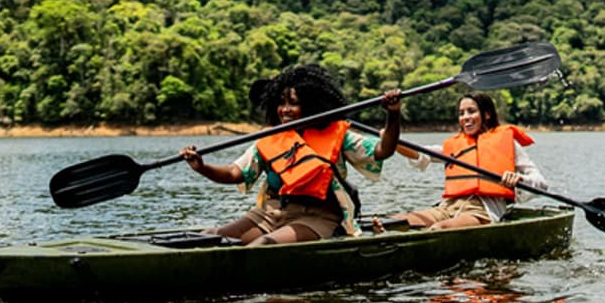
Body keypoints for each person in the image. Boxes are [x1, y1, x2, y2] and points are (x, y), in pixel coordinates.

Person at [180, 65, 401, 245]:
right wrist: (201, 166)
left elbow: (384, 150)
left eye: (293, 103)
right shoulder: (271, 139)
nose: (285, 109)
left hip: (318, 217)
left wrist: (393, 115)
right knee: (209, 237)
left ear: (312, 106)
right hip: (270, 213)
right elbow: (234, 173)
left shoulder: (338, 135)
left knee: (263, 245)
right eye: (281, 103)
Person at [396, 92, 546, 230]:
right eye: (461, 113)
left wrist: (519, 179)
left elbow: (541, 183)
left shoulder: (508, 143)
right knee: (397, 222)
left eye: (471, 111)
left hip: (481, 211)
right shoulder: (453, 146)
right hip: (448, 207)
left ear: (486, 114)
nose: (465, 117)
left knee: (439, 228)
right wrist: (392, 139)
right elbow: (420, 154)